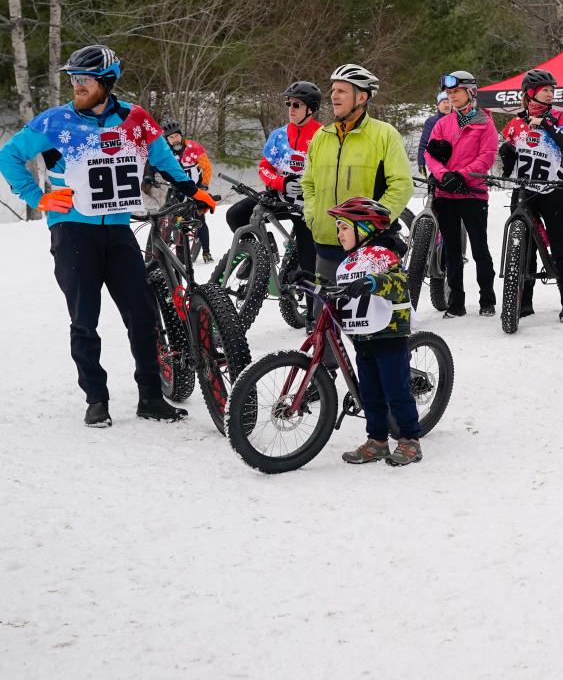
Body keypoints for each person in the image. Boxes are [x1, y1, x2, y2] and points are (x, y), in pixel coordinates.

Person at [0, 45, 216, 427]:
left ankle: (150, 397)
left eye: (84, 80)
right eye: (73, 80)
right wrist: (40, 198)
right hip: (73, 232)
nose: (77, 86)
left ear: (106, 82)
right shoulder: (55, 122)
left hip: (117, 230)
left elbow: (162, 156)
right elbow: (9, 157)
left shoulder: (135, 118)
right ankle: (96, 399)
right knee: (85, 319)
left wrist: (190, 188)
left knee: (142, 312)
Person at [328, 197, 422, 467]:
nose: (339, 234)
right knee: (369, 391)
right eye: (338, 229)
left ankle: (410, 440)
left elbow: (398, 282)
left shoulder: (382, 255)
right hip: (363, 335)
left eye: (344, 228)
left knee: (396, 389)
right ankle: (377, 441)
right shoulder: (350, 261)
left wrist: (373, 281)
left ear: (365, 228)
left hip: (389, 332)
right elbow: (342, 288)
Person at [301, 64, 414, 285]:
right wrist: (313, 217)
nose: (333, 96)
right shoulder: (320, 137)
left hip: (368, 248)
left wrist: (370, 226)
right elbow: (308, 183)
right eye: (333, 90)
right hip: (326, 245)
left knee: (366, 317)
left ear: (361, 97)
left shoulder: (384, 134)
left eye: (342, 91)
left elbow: (401, 185)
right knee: (321, 316)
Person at [497, 68, 563, 321]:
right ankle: (523, 302)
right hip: (524, 192)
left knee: (560, 246)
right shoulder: (516, 123)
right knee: (525, 247)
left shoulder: (560, 116)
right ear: (530, 94)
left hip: (553, 190)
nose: (550, 94)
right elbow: (503, 163)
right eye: (545, 90)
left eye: (552, 90)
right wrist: (505, 155)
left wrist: (545, 123)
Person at [229, 80, 322, 289]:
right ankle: (261, 251)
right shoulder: (278, 135)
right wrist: (281, 182)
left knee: (309, 263)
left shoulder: (322, 136)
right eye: (288, 104)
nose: (291, 109)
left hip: (306, 206)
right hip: (279, 197)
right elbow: (264, 168)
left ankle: (312, 314)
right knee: (235, 215)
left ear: (311, 109)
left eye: (296, 105)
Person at [423, 70, 499, 318]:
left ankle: (487, 298)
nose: (452, 96)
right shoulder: (443, 123)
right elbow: (429, 154)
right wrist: (444, 175)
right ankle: (456, 302)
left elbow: (486, 156)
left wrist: (462, 175)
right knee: (452, 250)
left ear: (470, 92)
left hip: (473, 194)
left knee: (479, 248)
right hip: (447, 194)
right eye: (449, 92)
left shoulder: (485, 122)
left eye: (456, 91)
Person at [161, 121, 215, 261]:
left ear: (182, 136)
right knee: (174, 218)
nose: (175, 140)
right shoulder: (165, 150)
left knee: (199, 218)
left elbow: (207, 167)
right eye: (171, 138)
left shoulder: (194, 147)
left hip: (194, 188)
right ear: (167, 140)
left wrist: (204, 186)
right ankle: (175, 246)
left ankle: (206, 251)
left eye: (176, 136)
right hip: (176, 188)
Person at [417, 90, 453, 175]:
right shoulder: (431, 122)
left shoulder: (458, 120)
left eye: (448, 102)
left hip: (455, 162)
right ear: (438, 106)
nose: (447, 105)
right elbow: (424, 143)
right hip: (437, 162)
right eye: (444, 102)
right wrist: (421, 162)